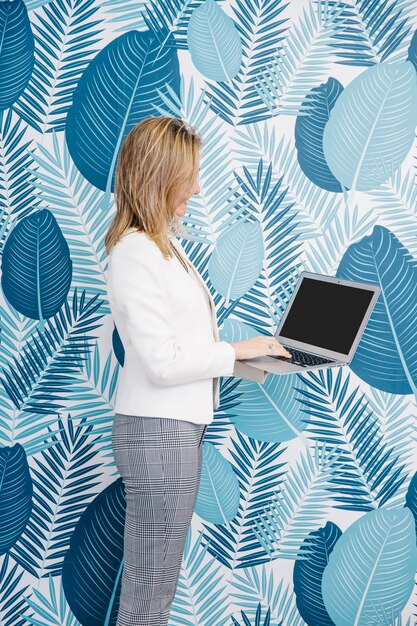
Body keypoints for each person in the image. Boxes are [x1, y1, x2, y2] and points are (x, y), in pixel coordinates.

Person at [104, 116, 291, 626]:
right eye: (188, 174)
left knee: (155, 582)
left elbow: (180, 345)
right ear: (158, 175)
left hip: (170, 432)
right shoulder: (135, 252)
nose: (197, 186)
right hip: (158, 436)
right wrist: (234, 351)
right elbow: (162, 362)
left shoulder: (162, 246)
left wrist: (247, 358)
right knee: (150, 588)